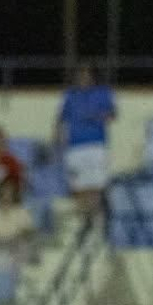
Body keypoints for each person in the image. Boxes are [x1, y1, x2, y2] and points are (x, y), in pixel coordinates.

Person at [56, 64, 117, 218]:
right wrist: (58, 139)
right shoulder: (70, 95)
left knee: (96, 186)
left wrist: (95, 116)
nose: (83, 78)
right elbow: (61, 119)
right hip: (75, 147)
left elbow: (112, 115)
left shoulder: (103, 93)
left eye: (86, 75)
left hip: (96, 145)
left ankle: (95, 221)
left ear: (92, 77)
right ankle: (83, 219)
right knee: (78, 187)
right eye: (80, 75)